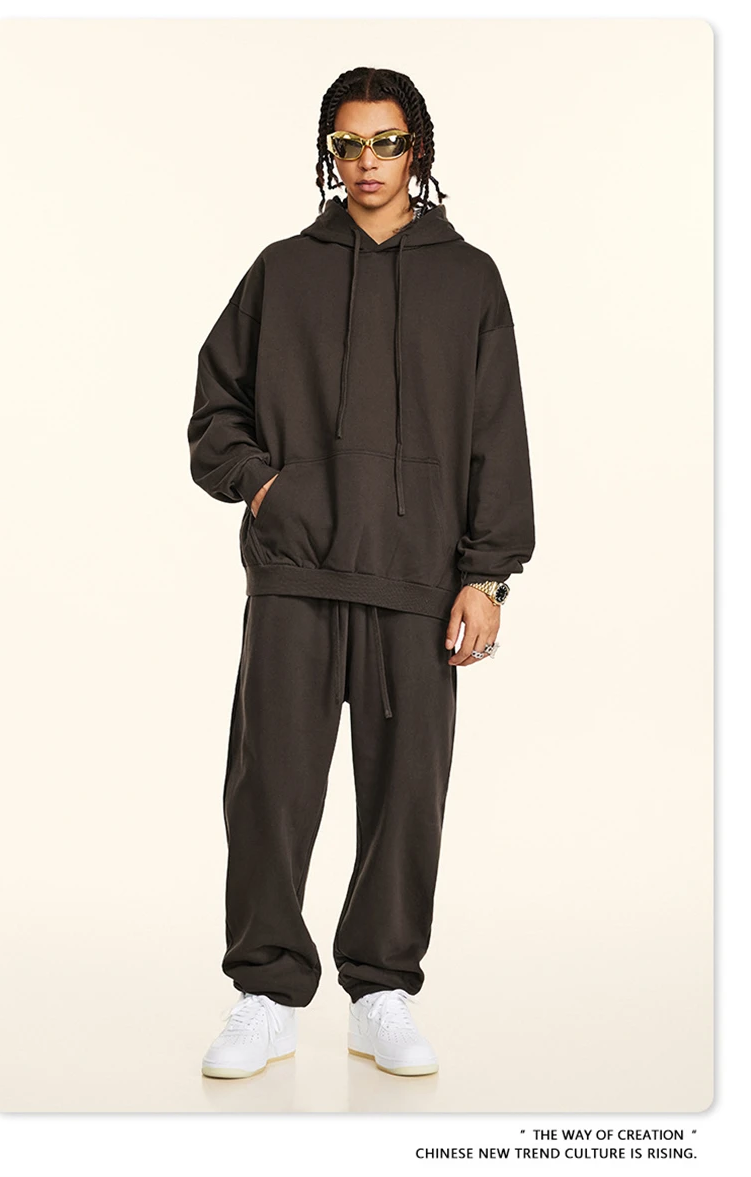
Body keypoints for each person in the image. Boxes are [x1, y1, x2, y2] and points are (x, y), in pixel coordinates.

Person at [188, 66, 535, 1080]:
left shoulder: (469, 280)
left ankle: (380, 990)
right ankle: (264, 993)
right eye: (349, 144)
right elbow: (214, 416)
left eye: (386, 143)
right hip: (296, 573)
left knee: (406, 796)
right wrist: (266, 488)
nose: (368, 163)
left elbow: (497, 434)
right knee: (268, 790)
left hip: (419, 582)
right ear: (327, 154)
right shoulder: (281, 271)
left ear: (416, 149)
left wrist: (488, 576)